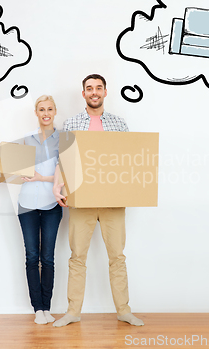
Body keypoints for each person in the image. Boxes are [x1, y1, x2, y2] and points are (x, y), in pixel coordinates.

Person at [52, 74, 144, 327]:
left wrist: (135, 188)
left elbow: (129, 160)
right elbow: (64, 158)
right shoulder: (71, 123)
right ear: (83, 94)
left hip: (113, 200)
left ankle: (124, 310)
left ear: (105, 92)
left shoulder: (119, 123)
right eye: (89, 88)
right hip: (81, 198)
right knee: (77, 255)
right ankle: (73, 312)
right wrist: (57, 185)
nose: (94, 92)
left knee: (117, 256)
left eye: (98, 88)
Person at [0, 95, 62, 325]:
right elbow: (15, 166)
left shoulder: (64, 140)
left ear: (55, 112)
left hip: (52, 205)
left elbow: (66, 173)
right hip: (27, 205)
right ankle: (37, 308)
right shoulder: (26, 140)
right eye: (41, 109)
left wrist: (42, 177)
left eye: (49, 108)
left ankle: (47, 307)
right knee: (31, 256)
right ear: (36, 113)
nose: (45, 113)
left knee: (47, 258)